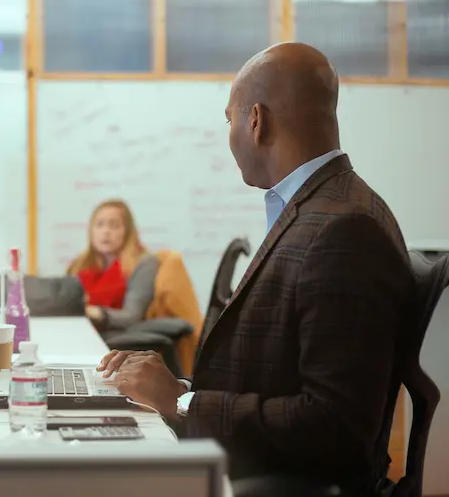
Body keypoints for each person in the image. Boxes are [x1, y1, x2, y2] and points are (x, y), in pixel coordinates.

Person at [98, 42, 414, 492]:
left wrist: (182, 401)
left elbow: (335, 425)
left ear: (256, 121)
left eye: (230, 120)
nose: (230, 134)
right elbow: (276, 376)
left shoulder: (345, 229)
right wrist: (170, 386)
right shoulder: (321, 207)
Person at [67, 199, 159, 337]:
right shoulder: (79, 264)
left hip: (119, 342)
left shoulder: (144, 263)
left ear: (127, 232)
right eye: (99, 225)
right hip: (78, 335)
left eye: (114, 226)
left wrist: (95, 312)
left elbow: (132, 316)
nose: (105, 232)